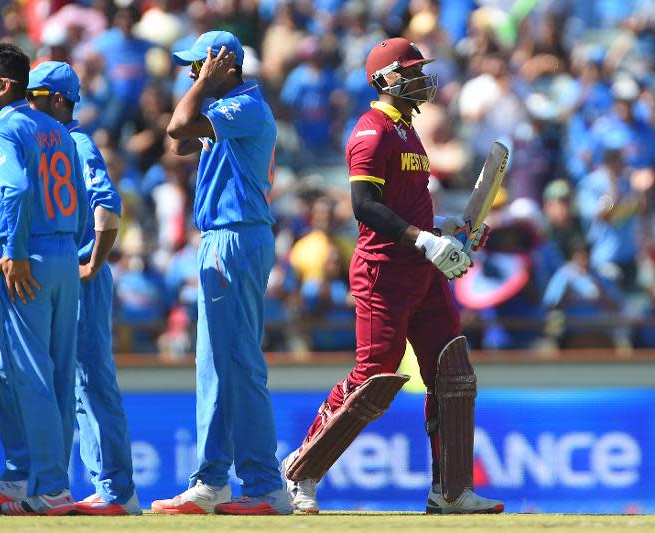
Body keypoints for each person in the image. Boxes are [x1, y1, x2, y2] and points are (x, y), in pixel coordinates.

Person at [279, 38, 504, 515]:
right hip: (384, 270)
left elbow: (409, 202)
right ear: (384, 79)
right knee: (374, 377)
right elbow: (364, 206)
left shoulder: (409, 131)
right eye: (412, 71)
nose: (422, 79)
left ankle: (451, 491)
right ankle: (299, 471)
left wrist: (446, 230)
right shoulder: (371, 130)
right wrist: (424, 241)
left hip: (422, 270)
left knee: (453, 372)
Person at [150, 30, 292, 516]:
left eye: (200, 66)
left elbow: (177, 127)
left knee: (239, 363)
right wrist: (201, 92)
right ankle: (213, 480)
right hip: (225, 238)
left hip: (235, 236)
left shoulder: (244, 104)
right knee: (216, 365)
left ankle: (264, 485)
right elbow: (185, 142)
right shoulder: (231, 110)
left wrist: (201, 86)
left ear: (225, 66)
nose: (193, 73)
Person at [0, 43, 87, 516]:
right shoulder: (57, 130)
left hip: (28, 260)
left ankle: (48, 487)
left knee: (29, 375)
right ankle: (22, 477)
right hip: (63, 256)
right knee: (41, 373)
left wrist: (17, 252)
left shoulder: (2, 131)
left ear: (4, 85)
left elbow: (16, 190)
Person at [24, 61, 139, 516]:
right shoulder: (53, 142)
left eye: (33, 98)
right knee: (74, 384)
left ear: (57, 100)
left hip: (80, 272)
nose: (25, 108)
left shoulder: (73, 142)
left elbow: (108, 206)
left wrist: (95, 260)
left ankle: (117, 491)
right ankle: (101, 484)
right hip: (66, 270)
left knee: (91, 377)